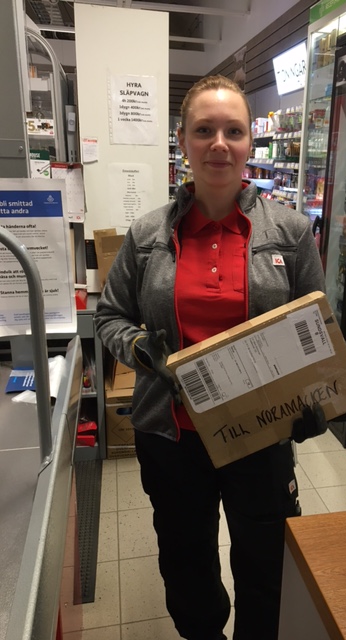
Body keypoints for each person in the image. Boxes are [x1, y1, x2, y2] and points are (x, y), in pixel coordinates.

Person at [94, 74, 327, 640]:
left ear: (249, 142)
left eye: (233, 131)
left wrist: (316, 396)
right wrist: (141, 350)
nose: (219, 144)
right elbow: (109, 317)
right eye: (204, 131)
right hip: (173, 435)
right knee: (186, 560)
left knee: (266, 561)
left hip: (261, 430)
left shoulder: (291, 232)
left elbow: (318, 329)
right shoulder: (147, 235)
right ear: (183, 141)